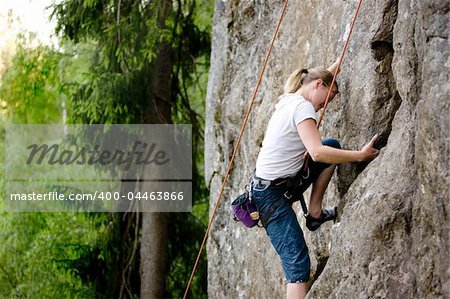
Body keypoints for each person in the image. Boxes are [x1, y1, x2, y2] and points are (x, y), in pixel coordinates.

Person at [251, 59, 379, 299]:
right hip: (270, 197)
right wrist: (359, 156)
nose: (323, 106)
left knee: (333, 146)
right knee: (297, 266)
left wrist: (337, 65)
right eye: (327, 100)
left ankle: (315, 213)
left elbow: (320, 79)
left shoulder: (290, 98)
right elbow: (317, 152)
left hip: (279, 184)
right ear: (317, 85)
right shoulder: (302, 107)